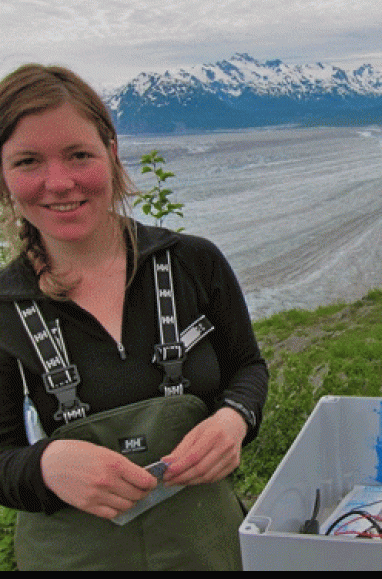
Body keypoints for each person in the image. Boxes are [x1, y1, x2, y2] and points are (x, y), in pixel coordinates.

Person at [0, 64, 269, 570]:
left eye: (79, 154)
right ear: (2, 174)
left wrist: (236, 418)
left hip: (209, 553)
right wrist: (45, 467)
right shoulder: (3, 309)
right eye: (28, 161)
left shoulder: (194, 263)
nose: (59, 182)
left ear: (111, 152)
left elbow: (247, 368)